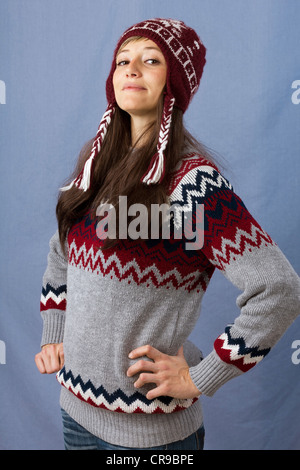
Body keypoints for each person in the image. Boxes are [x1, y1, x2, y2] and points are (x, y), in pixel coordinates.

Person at [35, 18, 300, 451]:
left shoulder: (190, 183)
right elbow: (61, 254)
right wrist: (55, 331)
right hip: (74, 413)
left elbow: (280, 289)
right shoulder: (96, 166)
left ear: (173, 84)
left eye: (150, 60)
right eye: (123, 60)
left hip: (149, 439)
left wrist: (200, 375)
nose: (131, 70)